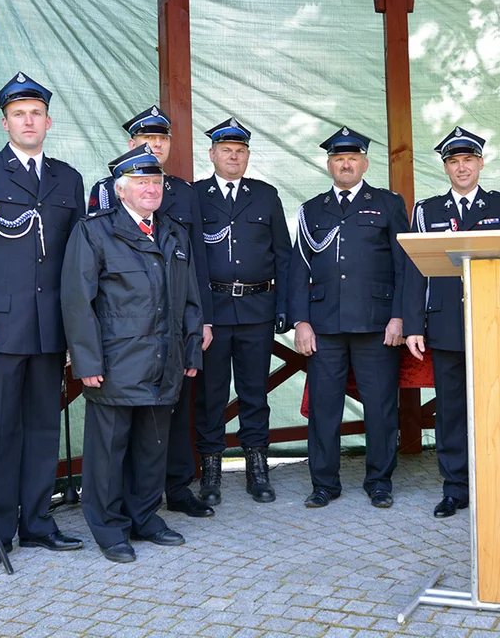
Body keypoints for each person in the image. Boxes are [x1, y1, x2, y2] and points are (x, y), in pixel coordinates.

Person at [0, 72, 85, 570]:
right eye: (18, 114)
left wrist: (76, 330)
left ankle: (37, 524)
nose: (28, 121)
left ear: (47, 122)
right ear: (5, 122)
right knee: (1, 431)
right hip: (0, 329)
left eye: (36, 113)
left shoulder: (67, 179)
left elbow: (77, 264)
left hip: (51, 328)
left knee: (43, 430)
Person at [61, 145, 204, 563]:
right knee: (107, 452)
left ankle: (144, 516)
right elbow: (77, 302)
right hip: (115, 363)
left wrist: (191, 350)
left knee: (152, 446)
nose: (150, 189)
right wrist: (86, 361)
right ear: (120, 190)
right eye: (141, 182)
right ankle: (109, 528)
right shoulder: (94, 231)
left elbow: (190, 299)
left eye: (156, 182)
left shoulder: (174, 233)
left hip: (165, 360)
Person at [87, 104, 215, 519]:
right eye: (147, 140)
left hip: (170, 335)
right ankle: (118, 513)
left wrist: (199, 327)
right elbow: (88, 281)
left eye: (162, 141)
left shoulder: (182, 194)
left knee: (167, 422)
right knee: (122, 429)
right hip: (123, 340)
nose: (155, 147)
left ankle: (168, 496)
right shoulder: (104, 199)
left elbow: (194, 267)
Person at [403, 126, 500, 518]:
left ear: (480, 163)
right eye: (454, 161)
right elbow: (414, 272)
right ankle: (455, 488)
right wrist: (412, 325)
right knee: (452, 411)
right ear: (446, 168)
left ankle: (494, 485)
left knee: (493, 407)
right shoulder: (427, 210)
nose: (462, 168)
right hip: (445, 327)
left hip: (492, 323)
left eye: (468, 160)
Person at [290, 127, 409, 509]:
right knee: (324, 408)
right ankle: (324, 483)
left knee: (380, 406)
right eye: (339, 159)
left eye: (353, 158)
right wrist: (301, 322)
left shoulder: (389, 204)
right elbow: (298, 269)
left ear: (364, 163)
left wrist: (399, 317)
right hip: (324, 326)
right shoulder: (311, 209)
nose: (346, 164)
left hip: (377, 324)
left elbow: (404, 266)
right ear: (329, 165)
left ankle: (379, 481)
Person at [193, 118, 292, 504]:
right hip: (213, 312)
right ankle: (211, 471)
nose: (233, 157)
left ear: (247, 156)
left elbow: (283, 256)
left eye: (240, 152)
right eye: (226, 151)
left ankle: (257, 467)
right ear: (213, 154)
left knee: (255, 393)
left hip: (257, 309)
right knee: (211, 394)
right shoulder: (195, 196)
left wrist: (283, 306)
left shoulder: (265, 196)